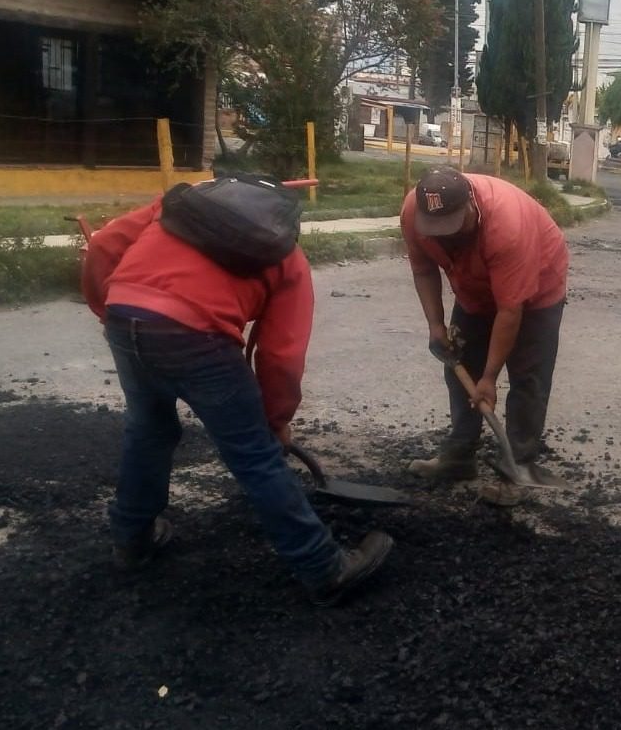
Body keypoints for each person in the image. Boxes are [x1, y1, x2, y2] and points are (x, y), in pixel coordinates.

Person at [81, 186, 391, 607]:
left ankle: (132, 541)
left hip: (126, 314)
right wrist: (276, 421)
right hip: (197, 338)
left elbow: (102, 243)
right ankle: (324, 568)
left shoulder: (175, 206)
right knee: (254, 455)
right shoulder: (286, 255)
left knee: (148, 430)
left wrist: (110, 309)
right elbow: (281, 356)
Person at [401, 168, 569, 492]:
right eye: (434, 229)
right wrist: (436, 326)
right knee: (459, 366)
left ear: (470, 207)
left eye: (450, 227)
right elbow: (423, 269)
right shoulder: (414, 212)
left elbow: (509, 310)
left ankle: (518, 464)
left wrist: (489, 378)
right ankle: (460, 457)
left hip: (535, 290)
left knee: (528, 376)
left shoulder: (506, 226)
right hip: (475, 288)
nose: (442, 236)